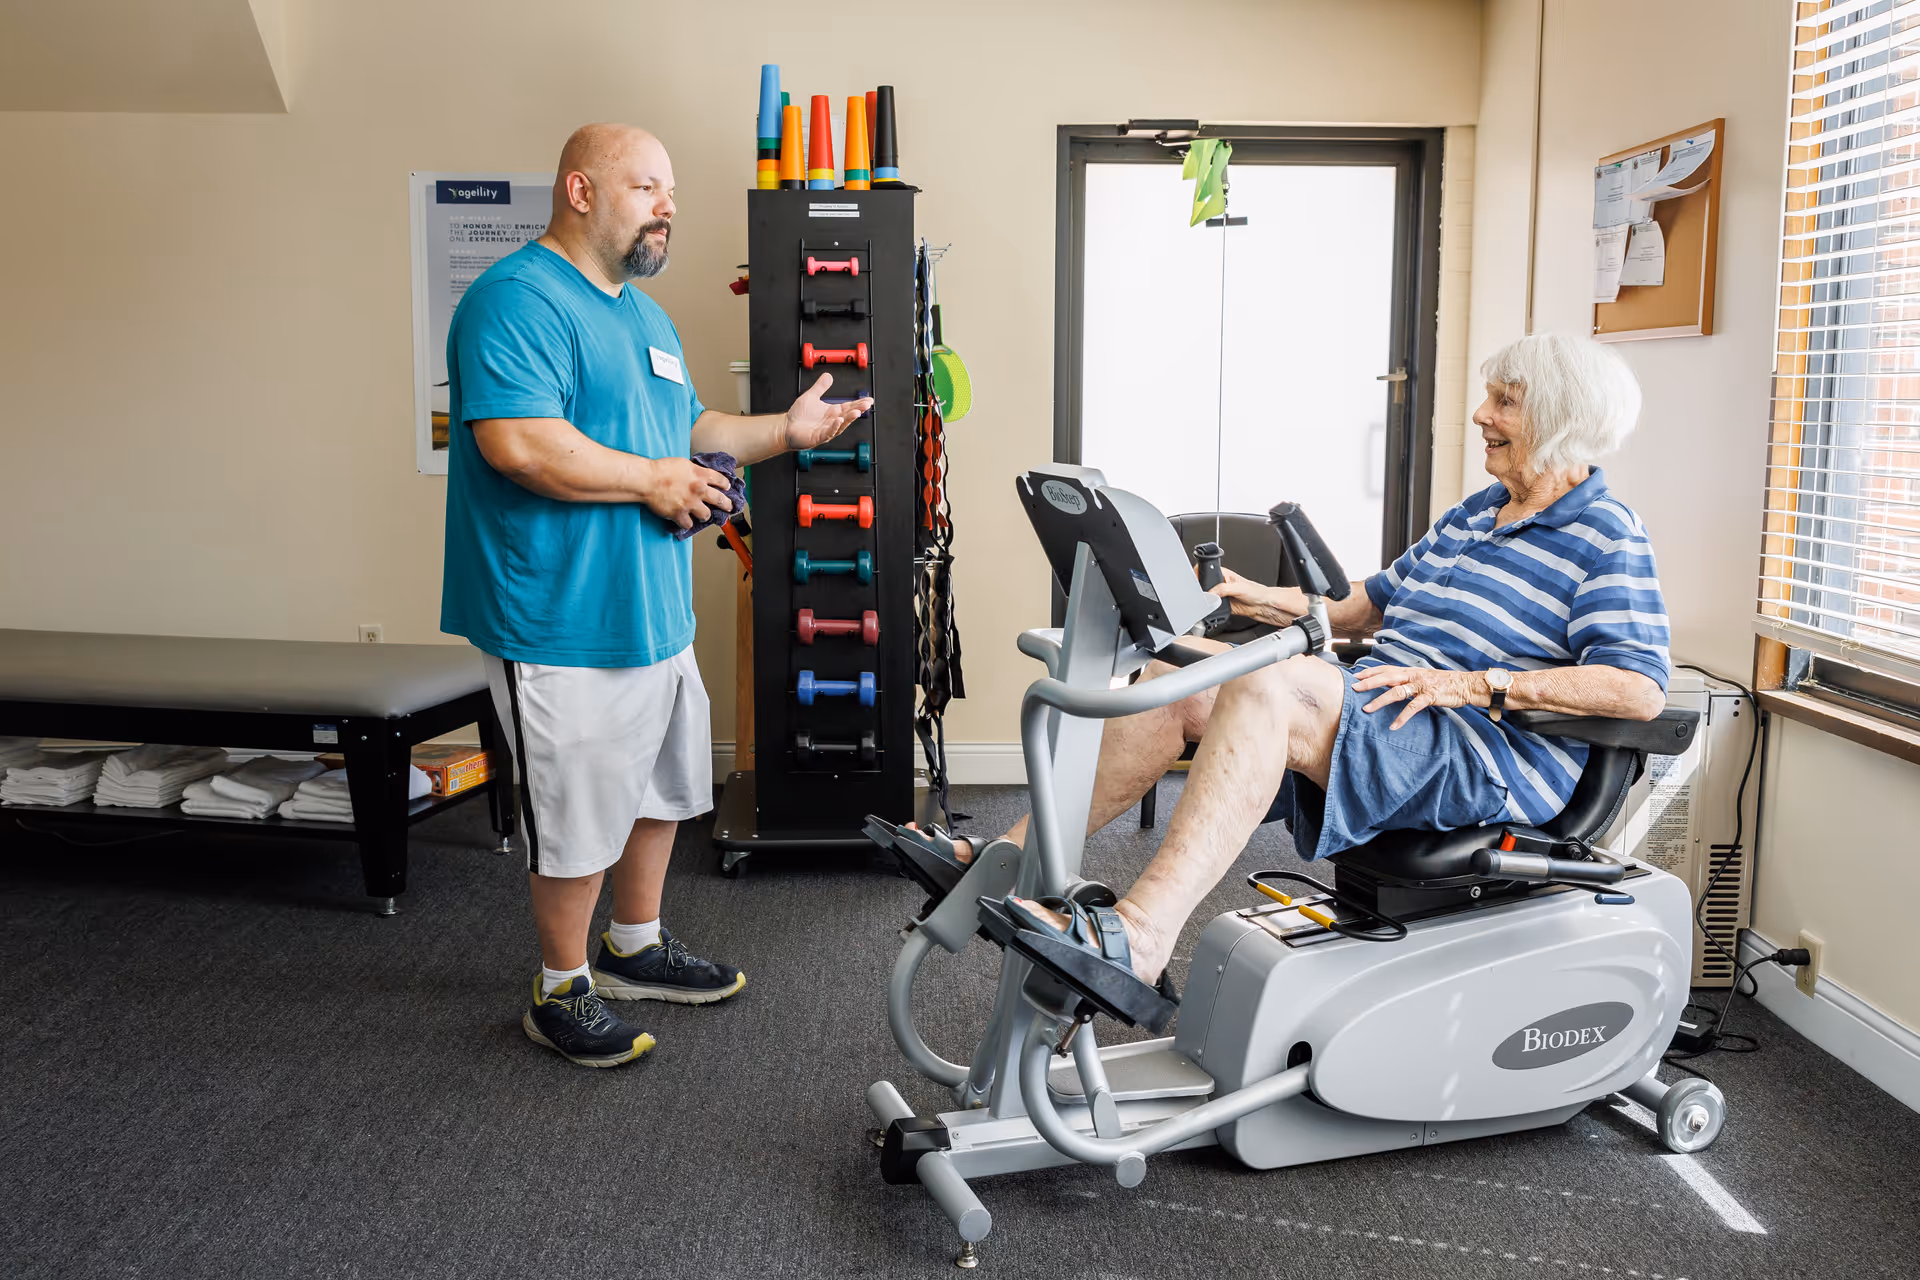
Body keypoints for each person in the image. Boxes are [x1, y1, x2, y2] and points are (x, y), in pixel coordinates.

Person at [916, 333, 1669, 993]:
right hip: (1384, 703)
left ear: (1561, 420)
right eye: (1489, 399)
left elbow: (1638, 689)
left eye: (1504, 402)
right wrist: (1256, 597)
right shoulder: (1478, 512)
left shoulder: (1607, 535)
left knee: (1260, 682)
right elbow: (1366, 604)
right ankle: (1007, 860)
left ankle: (1141, 937)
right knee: (1173, 679)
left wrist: (1473, 684)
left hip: (1475, 748)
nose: (1482, 416)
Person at [442, 124, 871, 1066]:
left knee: (660, 789)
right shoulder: (515, 301)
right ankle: (560, 989)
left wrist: (787, 432)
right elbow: (516, 442)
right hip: (556, 618)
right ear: (582, 191)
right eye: (648, 186)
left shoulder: (643, 316)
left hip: (652, 610)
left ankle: (633, 944)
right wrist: (654, 481)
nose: (669, 204)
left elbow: (689, 425)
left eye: (671, 191)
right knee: (579, 807)